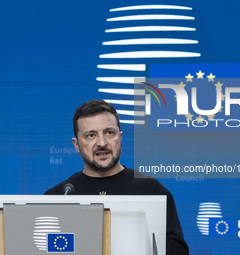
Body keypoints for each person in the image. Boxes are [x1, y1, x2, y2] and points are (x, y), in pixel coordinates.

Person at [45, 100, 189, 255]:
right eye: (91, 135)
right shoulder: (58, 196)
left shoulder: (152, 190)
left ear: (119, 137)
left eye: (109, 133)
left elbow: (178, 250)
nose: (101, 143)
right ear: (77, 144)